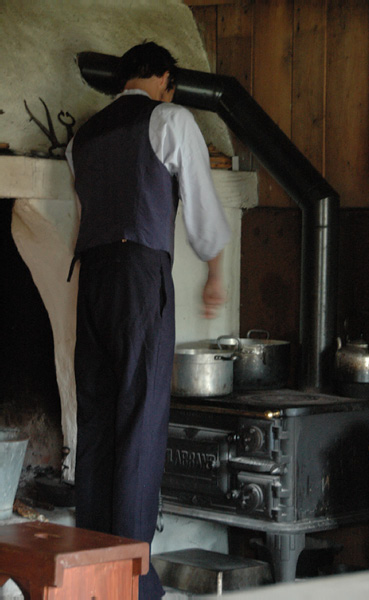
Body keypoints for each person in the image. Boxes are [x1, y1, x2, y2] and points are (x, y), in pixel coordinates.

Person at [66, 41, 231, 599]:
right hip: (140, 276)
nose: (170, 91)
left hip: (90, 279)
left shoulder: (81, 137)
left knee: (97, 422)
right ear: (162, 77)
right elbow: (203, 214)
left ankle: (89, 573)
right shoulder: (171, 118)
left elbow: (86, 212)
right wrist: (215, 270)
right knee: (139, 421)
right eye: (170, 83)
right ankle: (133, 583)